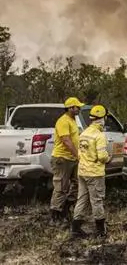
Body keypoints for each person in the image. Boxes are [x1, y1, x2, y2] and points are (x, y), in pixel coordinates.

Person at [71, 105, 112, 239]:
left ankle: (75, 228)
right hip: (95, 173)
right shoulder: (99, 136)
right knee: (97, 200)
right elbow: (102, 156)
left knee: (81, 199)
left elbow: (79, 153)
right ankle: (101, 231)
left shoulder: (84, 133)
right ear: (102, 118)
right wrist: (108, 157)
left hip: (82, 171)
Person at [50, 96, 84, 226]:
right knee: (61, 187)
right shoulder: (63, 121)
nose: (79, 109)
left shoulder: (73, 120)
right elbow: (66, 140)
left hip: (72, 159)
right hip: (62, 159)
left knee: (77, 183)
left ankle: (66, 209)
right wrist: (78, 155)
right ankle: (55, 215)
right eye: (77, 107)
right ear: (70, 108)